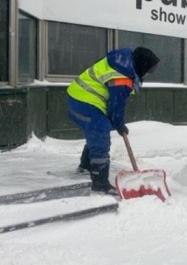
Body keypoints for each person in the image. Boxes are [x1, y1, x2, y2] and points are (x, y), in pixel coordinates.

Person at [66, 47, 160, 194]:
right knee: (100, 132)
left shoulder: (123, 62)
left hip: (79, 95)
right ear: (142, 65)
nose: (148, 74)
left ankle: (86, 166)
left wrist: (118, 123)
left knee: (97, 131)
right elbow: (116, 106)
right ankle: (100, 183)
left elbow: (115, 105)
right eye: (148, 70)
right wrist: (119, 124)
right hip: (83, 100)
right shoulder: (123, 77)